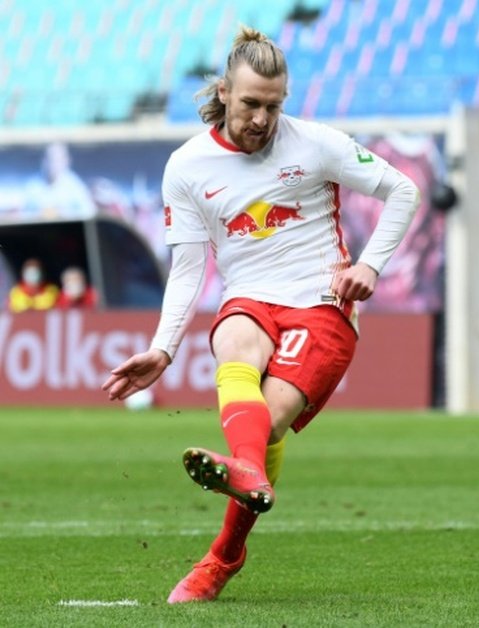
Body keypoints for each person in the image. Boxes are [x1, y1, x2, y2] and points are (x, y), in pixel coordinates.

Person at [101, 26, 419, 602]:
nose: (261, 119)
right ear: (224, 92)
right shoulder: (188, 166)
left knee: (266, 424)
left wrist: (370, 265)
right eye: (250, 103)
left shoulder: (316, 144)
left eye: (273, 106)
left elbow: (402, 189)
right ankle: (246, 477)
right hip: (250, 298)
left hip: (322, 306)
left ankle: (225, 555)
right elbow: (190, 268)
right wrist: (164, 347)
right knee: (234, 340)